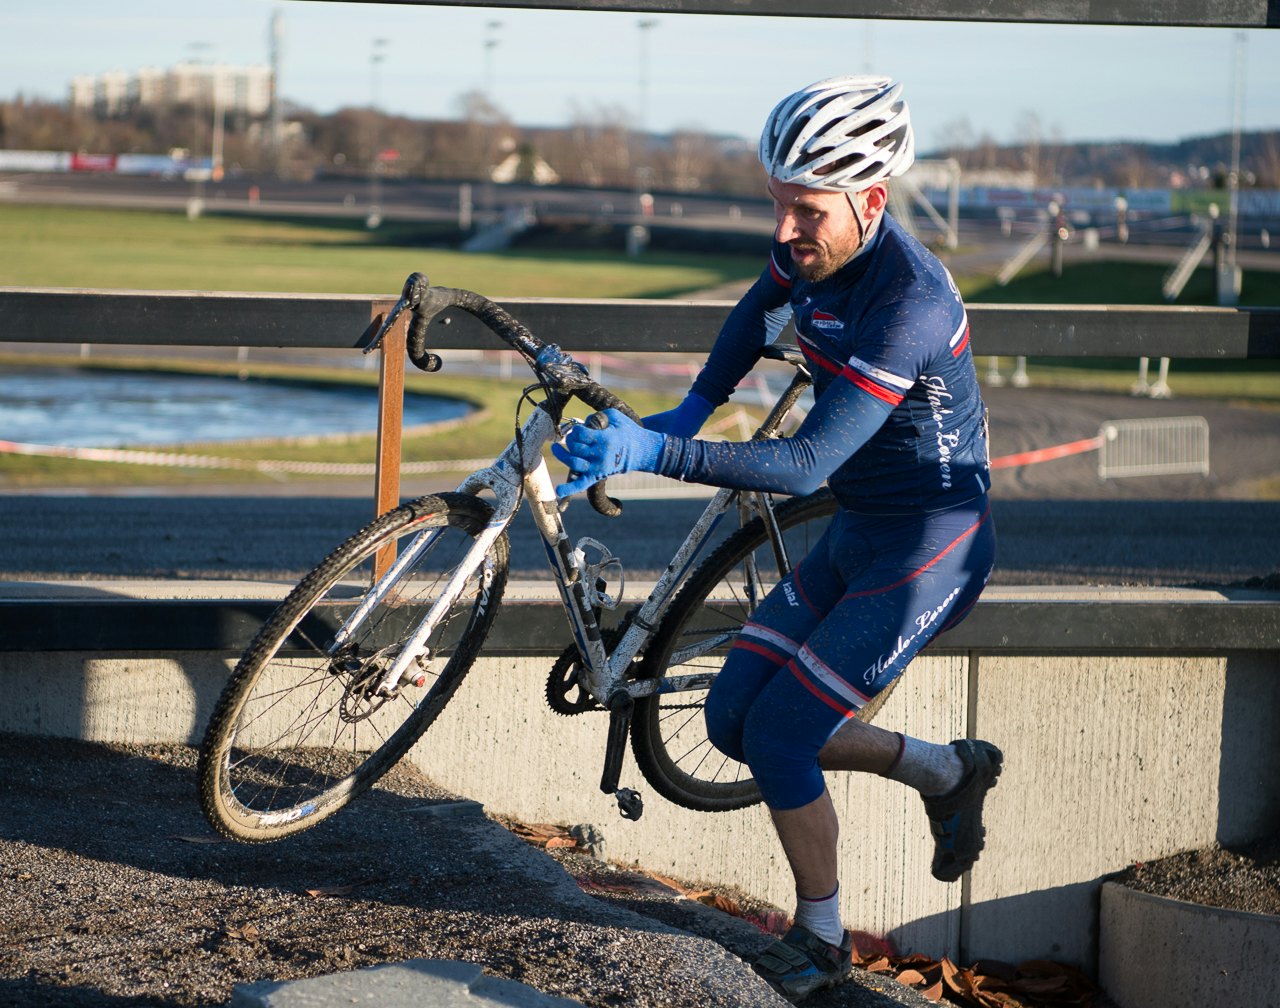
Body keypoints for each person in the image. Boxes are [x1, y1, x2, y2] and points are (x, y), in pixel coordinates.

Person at [554, 75, 1001, 1004]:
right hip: (865, 526)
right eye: (778, 203)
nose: (787, 229)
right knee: (730, 723)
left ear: (872, 201)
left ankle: (823, 935)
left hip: (931, 548)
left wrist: (654, 448)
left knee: (786, 736)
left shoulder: (907, 303)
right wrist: (693, 404)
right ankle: (946, 769)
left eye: (807, 210)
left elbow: (799, 466)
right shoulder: (815, 252)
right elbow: (757, 312)